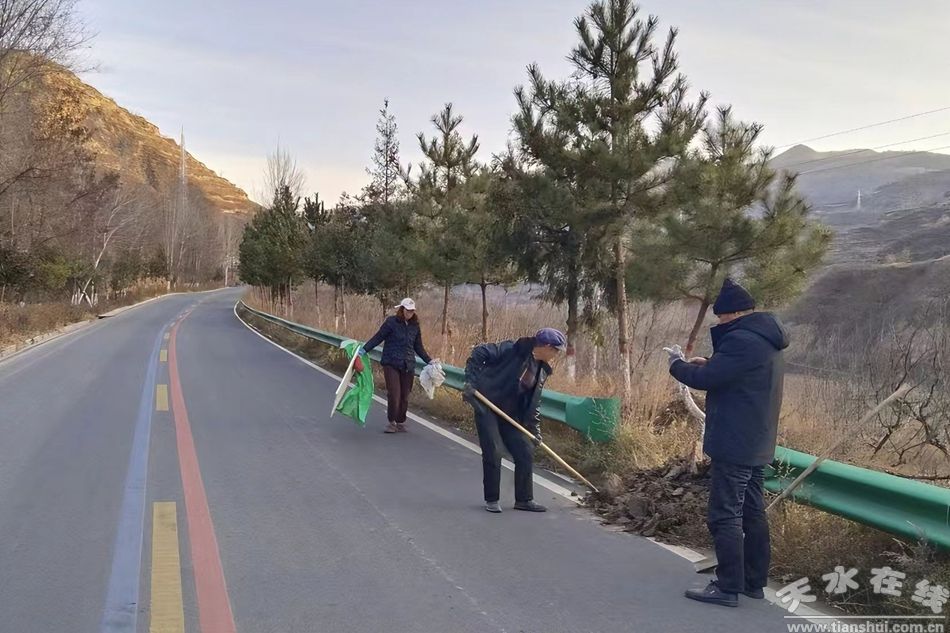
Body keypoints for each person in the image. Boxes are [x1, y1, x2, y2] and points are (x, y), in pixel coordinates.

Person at [665, 278, 789, 608]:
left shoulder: (741, 339)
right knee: (752, 511)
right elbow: (734, 374)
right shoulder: (766, 339)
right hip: (757, 441)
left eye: (720, 317)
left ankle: (727, 586)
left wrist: (676, 366)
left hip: (735, 442)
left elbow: (706, 380)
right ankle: (752, 581)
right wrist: (712, 362)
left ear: (732, 314)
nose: (719, 322)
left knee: (725, 513)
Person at [463, 328, 566, 513]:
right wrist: (471, 381)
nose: (556, 355)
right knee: (493, 450)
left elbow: (533, 403)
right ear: (546, 347)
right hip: (487, 405)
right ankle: (492, 499)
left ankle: (524, 499)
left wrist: (535, 431)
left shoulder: (541, 369)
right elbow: (479, 352)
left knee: (525, 450)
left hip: (511, 414)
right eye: (555, 350)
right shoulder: (513, 349)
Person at [360, 298, 434, 433]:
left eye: (412, 311)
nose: (410, 313)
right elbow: (378, 337)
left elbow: (418, 347)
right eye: (408, 310)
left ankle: (400, 421)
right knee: (394, 394)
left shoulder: (415, 326)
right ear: (402, 309)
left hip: (408, 364)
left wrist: (429, 360)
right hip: (391, 362)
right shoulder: (391, 322)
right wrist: (365, 349)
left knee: (405, 396)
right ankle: (392, 422)